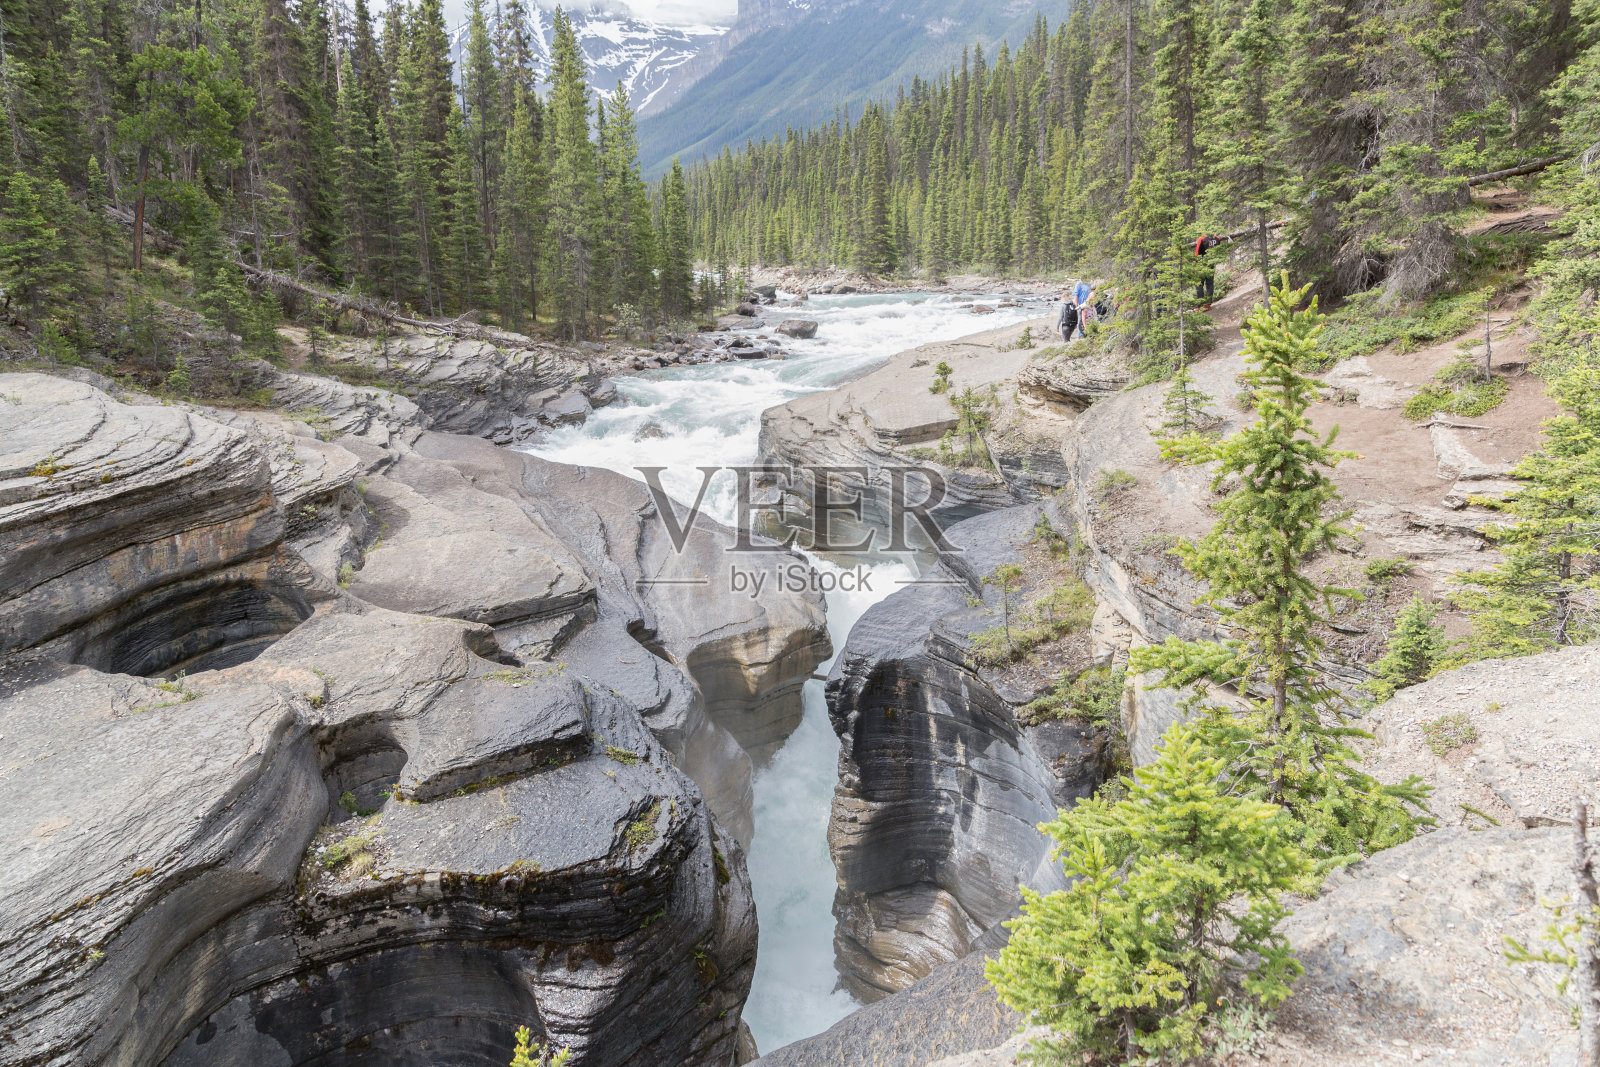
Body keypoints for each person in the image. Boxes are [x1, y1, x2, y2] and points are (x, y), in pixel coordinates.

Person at [1194, 234, 1221, 305]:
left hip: (1202, 264)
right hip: (1211, 263)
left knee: (1199, 284)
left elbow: (1197, 253)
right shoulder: (1217, 239)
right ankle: (1209, 303)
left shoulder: (1201, 239)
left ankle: (1201, 305)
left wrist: (1195, 263)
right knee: (1210, 283)